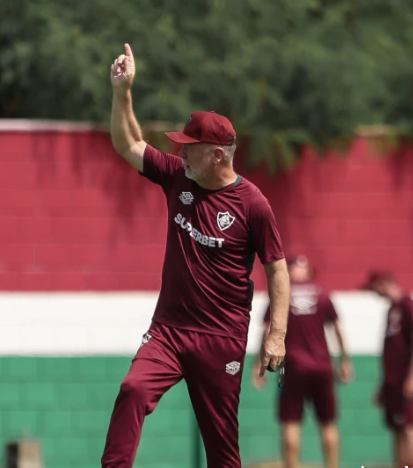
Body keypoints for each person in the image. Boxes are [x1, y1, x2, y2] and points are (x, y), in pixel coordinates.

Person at [101, 43, 291, 468]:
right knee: (133, 389)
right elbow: (128, 142)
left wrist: (276, 333)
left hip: (220, 338)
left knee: (223, 452)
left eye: (190, 146)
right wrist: (122, 92)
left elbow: (277, 269)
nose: (180, 152)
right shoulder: (176, 177)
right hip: (168, 330)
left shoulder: (252, 204)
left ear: (217, 155)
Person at [252, 255, 353, 468]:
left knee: (291, 422)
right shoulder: (323, 294)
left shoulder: (281, 293)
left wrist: (258, 365)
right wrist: (345, 360)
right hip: (322, 367)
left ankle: (291, 465)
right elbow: (337, 328)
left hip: (295, 369)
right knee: (328, 422)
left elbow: (265, 333)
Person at [363, 271, 413, 468]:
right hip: (392, 381)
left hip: (406, 379)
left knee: (409, 427)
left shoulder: (408, 304)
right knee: (397, 428)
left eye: (375, 287)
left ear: (384, 283)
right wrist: (383, 385)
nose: (374, 293)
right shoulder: (391, 310)